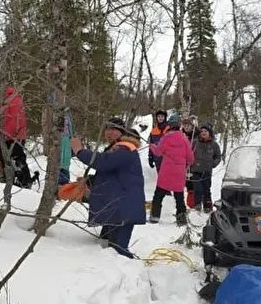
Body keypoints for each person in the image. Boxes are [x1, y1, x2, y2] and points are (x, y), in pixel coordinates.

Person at [70, 118, 146, 258]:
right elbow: (110, 175)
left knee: (119, 251)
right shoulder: (117, 148)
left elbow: (104, 162)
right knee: (112, 249)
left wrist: (80, 151)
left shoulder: (126, 148)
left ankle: (131, 275)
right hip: (118, 207)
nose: (108, 132)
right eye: (107, 129)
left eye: (113, 129)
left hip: (124, 207)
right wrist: (89, 181)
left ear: (122, 132)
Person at [149, 114, 195, 226]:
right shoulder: (184, 139)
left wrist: (152, 146)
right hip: (179, 172)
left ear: (169, 125)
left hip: (166, 171)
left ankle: (155, 216)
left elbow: (158, 152)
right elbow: (191, 158)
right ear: (179, 125)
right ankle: (181, 218)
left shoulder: (165, 137)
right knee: (179, 196)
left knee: (158, 195)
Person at [190, 123, 221, 213]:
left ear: (209, 133)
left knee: (206, 189)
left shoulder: (214, 144)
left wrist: (213, 164)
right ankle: (197, 205)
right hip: (196, 170)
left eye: (205, 131)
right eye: (202, 131)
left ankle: (207, 206)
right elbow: (188, 153)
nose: (203, 133)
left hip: (207, 171)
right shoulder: (195, 142)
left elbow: (218, 156)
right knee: (197, 189)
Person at [58, 109, 74, 186]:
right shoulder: (56, 115)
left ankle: (65, 182)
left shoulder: (68, 116)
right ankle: (59, 181)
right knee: (60, 159)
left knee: (66, 160)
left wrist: (72, 138)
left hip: (67, 139)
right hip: (59, 139)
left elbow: (71, 128)